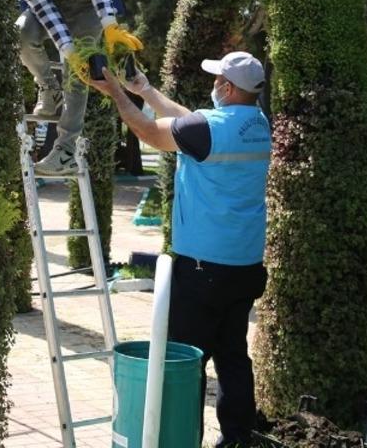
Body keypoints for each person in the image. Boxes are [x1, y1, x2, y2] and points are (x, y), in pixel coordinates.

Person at [89, 51, 271, 447]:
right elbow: (193, 122)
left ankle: (179, 438)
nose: (214, 86)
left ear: (226, 87)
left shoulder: (210, 129)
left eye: (217, 79)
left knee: (185, 363)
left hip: (203, 271)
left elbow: (152, 133)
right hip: (244, 267)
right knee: (233, 357)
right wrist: (147, 91)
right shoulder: (257, 124)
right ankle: (238, 439)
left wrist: (118, 94)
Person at [3, 0, 142, 175]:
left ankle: (66, 148)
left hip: (87, 5)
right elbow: (43, 9)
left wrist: (110, 24)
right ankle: (48, 88)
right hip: (51, 7)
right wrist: (66, 47)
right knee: (20, 34)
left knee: (75, 73)